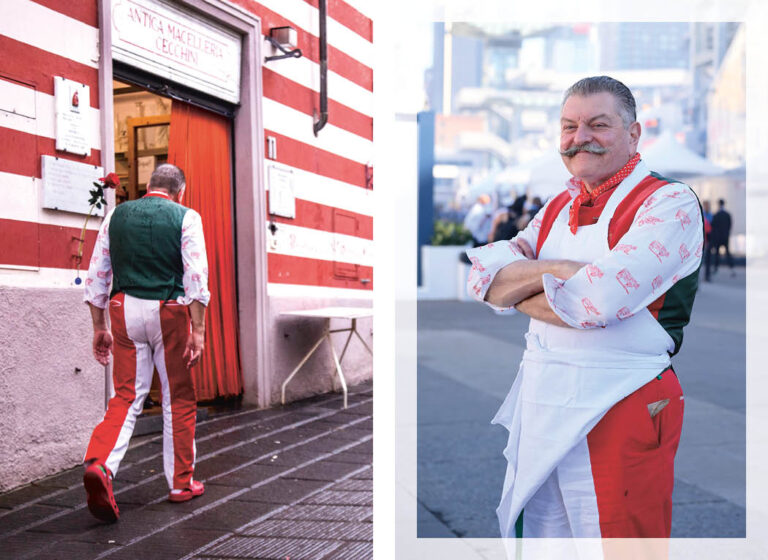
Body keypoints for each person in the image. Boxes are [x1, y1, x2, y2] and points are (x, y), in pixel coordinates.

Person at [466, 76, 703, 547]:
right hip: (544, 397)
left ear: (633, 135)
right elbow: (482, 279)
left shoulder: (669, 202)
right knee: (542, 537)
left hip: (622, 399)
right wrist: (558, 269)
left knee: (618, 543)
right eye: (569, 126)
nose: (580, 138)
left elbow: (595, 302)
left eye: (599, 124)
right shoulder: (558, 203)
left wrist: (523, 284)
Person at [82, 163, 210, 522]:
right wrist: (197, 330)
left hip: (124, 309)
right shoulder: (186, 217)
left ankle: (101, 465)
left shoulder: (115, 217)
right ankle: (180, 483)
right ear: (178, 191)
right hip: (168, 310)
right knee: (178, 399)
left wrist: (98, 326)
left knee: (125, 396)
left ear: (149, 186)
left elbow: (97, 273)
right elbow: (196, 275)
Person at [707, 198, 735, 278]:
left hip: (718, 237)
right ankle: (732, 268)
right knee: (728, 253)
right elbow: (730, 225)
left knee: (717, 253)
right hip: (725, 237)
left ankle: (716, 268)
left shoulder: (716, 215)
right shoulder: (727, 215)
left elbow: (713, 226)